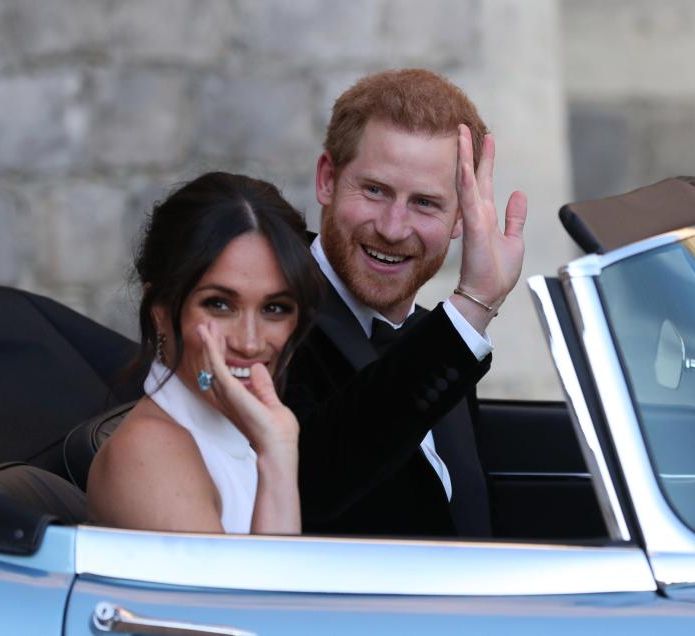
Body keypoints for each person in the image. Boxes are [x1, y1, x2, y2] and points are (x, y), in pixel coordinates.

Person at [284, 68, 527, 537]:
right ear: (328, 180)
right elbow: (311, 486)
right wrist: (474, 305)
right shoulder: (269, 317)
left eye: (425, 204)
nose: (393, 228)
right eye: (375, 191)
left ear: (461, 218)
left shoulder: (435, 337)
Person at [87, 172, 323, 534]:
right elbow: (260, 594)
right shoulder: (150, 452)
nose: (249, 342)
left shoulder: (238, 435)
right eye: (219, 305)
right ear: (161, 312)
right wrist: (277, 456)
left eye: (274, 308)